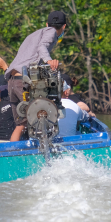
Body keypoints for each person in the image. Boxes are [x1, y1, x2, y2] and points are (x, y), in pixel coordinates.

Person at [5, 10, 69, 141]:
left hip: (12, 81)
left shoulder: (34, 34)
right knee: (41, 119)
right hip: (22, 81)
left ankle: (13, 153)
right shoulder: (50, 32)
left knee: (21, 124)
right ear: (64, 26)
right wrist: (49, 60)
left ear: (46, 23)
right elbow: (42, 47)